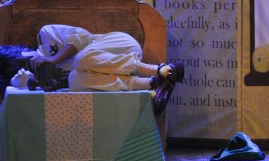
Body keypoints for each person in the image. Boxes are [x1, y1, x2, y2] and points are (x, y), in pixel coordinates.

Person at [26, 24, 184, 115]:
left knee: (81, 59)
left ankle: (158, 69)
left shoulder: (45, 33)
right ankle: (151, 84)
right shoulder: (41, 67)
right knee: (75, 81)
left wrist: (53, 59)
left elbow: (81, 35)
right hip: (114, 66)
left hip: (120, 44)